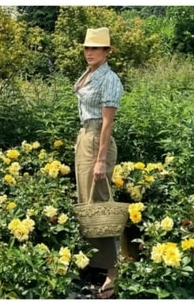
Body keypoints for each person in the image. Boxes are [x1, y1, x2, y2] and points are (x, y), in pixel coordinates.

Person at [73, 27, 124, 299]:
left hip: (97, 141)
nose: (89, 52)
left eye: (95, 48)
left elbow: (107, 123)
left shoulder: (109, 79)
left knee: (101, 204)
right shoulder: (89, 74)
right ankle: (95, 262)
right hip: (83, 138)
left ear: (107, 51)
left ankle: (114, 272)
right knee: (87, 202)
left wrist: (101, 159)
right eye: (86, 47)